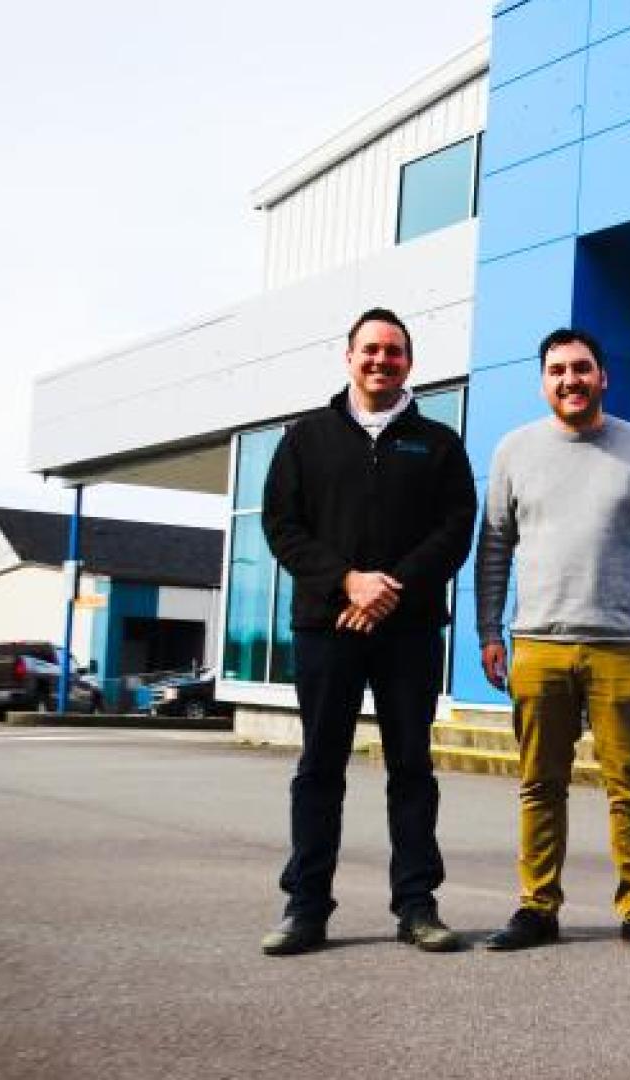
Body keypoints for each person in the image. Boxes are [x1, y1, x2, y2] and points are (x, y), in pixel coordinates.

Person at [257, 307, 476, 956]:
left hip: (408, 632)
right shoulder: (305, 439)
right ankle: (306, 909)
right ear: (348, 356)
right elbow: (281, 526)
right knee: (319, 768)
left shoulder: (438, 443)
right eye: (370, 350)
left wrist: (389, 589)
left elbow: (455, 530)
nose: (382, 360)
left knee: (412, 768)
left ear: (410, 362)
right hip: (327, 629)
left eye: (395, 351)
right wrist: (347, 582)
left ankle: (417, 907)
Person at [475, 327, 630, 955]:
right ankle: (537, 907)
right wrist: (490, 631)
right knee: (539, 783)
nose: (570, 380)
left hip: (624, 646)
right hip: (538, 645)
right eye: (557, 371)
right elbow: (494, 549)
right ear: (544, 382)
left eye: (581, 368)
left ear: (603, 376)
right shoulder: (514, 451)